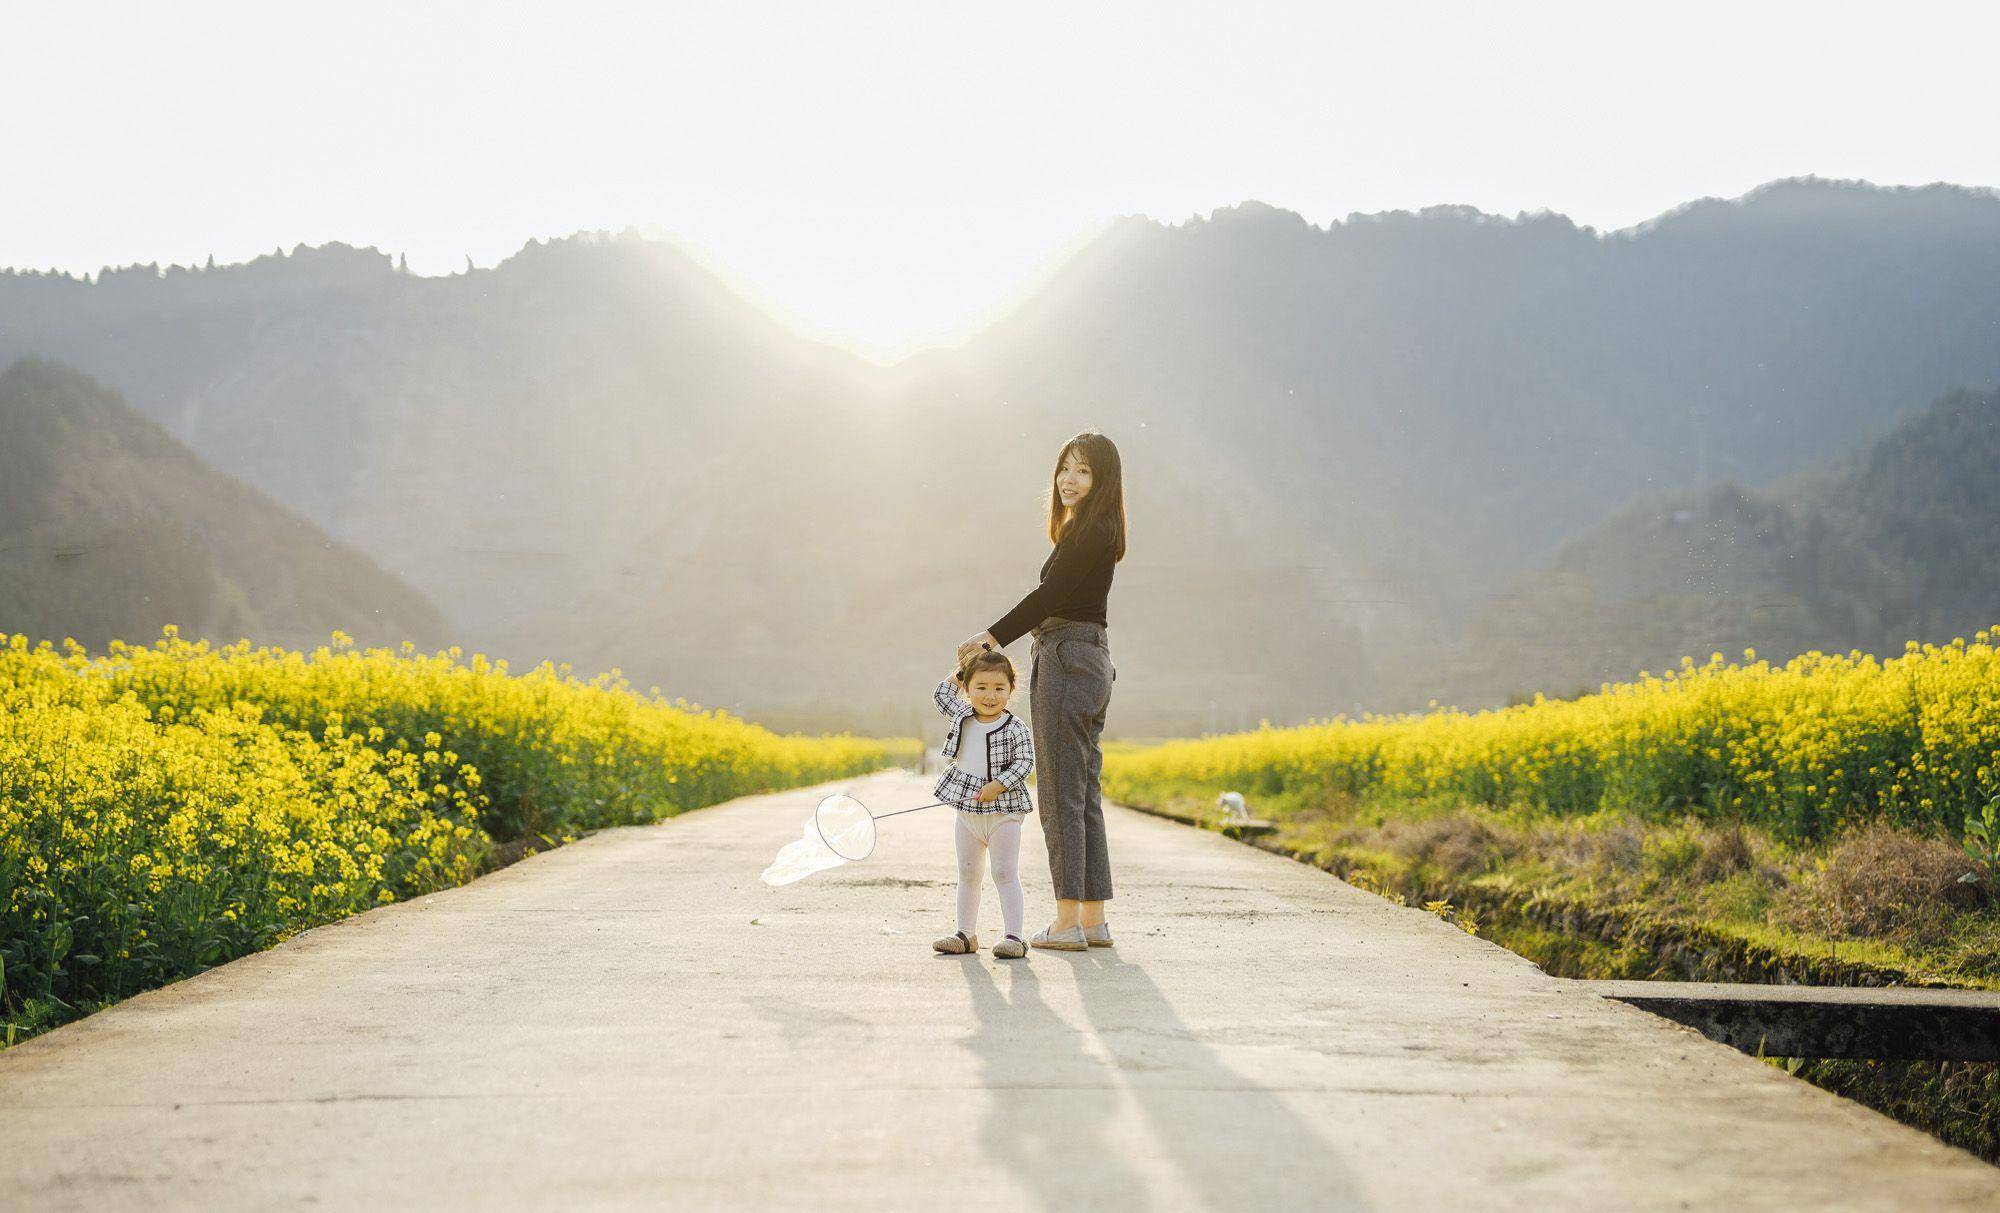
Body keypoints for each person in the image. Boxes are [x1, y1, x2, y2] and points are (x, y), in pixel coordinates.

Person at [959, 431, 1125, 952]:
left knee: (1059, 794)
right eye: (1065, 469)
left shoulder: (1088, 532)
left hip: (1066, 656)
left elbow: (1050, 596)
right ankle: (1092, 920)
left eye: (1083, 472)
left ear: (1102, 482)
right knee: (1083, 793)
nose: (1069, 481)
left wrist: (991, 636)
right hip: (1090, 657)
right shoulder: (1095, 529)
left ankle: (1066, 922)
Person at [929, 649, 1036, 960]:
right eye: (981, 687)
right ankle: (965, 934)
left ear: (1011, 690)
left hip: (1004, 812)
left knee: (1004, 871)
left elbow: (1026, 761)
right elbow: (941, 694)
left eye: (999, 688)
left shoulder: (1015, 727)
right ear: (967, 689)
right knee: (968, 871)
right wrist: (964, 667)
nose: (990, 696)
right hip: (968, 812)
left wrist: (999, 784)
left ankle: (1014, 937)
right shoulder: (962, 715)